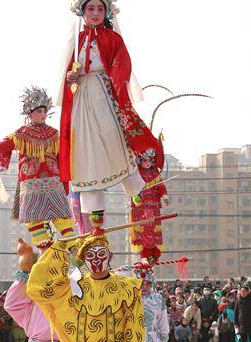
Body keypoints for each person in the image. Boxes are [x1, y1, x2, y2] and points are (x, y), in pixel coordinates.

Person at [58, 0, 163, 230]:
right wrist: (71, 77)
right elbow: (67, 73)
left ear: (106, 12)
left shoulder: (112, 38)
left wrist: (114, 78)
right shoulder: (76, 39)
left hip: (105, 92)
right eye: (90, 9)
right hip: (82, 100)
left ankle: (136, 189)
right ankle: (95, 220)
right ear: (82, 12)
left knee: (114, 139)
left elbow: (122, 63)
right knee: (85, 150)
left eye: (99, 9)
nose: (95, 13)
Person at [0, 86, 75, 248]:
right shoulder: (21, 134)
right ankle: (47, 255)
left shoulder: (54, 134)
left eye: (45, 111)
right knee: (34, 221)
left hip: (53, 182)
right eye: (39, 111)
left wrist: (65, 179)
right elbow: (1, 146)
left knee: (63, 219)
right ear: (30, 113)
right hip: (30, 183)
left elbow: (64, 156)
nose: (43, 115)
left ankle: (76, 253)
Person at [129, 149, 169, 261]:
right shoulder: (136, 174)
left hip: (153, 207)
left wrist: (165, 196)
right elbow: (131, 187)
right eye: (144, 160)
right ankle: (145, 254)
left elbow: (161, 187)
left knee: (153, 229)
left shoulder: (155, 174)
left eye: (149, 160)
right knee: (142, 231)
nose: (147, 163)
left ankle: (154, 252)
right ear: (140, 161)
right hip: (140, 208)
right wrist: (135, 195)